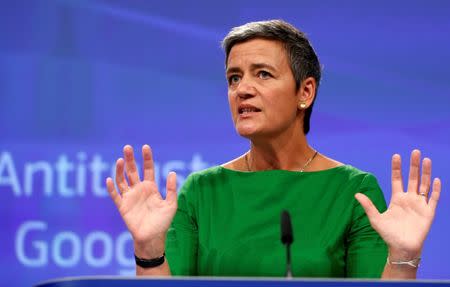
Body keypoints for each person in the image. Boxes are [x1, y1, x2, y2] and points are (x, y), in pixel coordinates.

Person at [106, 20, 442, 279]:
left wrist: (402, 257)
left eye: (263, 74)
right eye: (233, 78)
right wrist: (148, 248)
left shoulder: (353, 191)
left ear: (305, 92)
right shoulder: (201, 192)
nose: (243, 90)